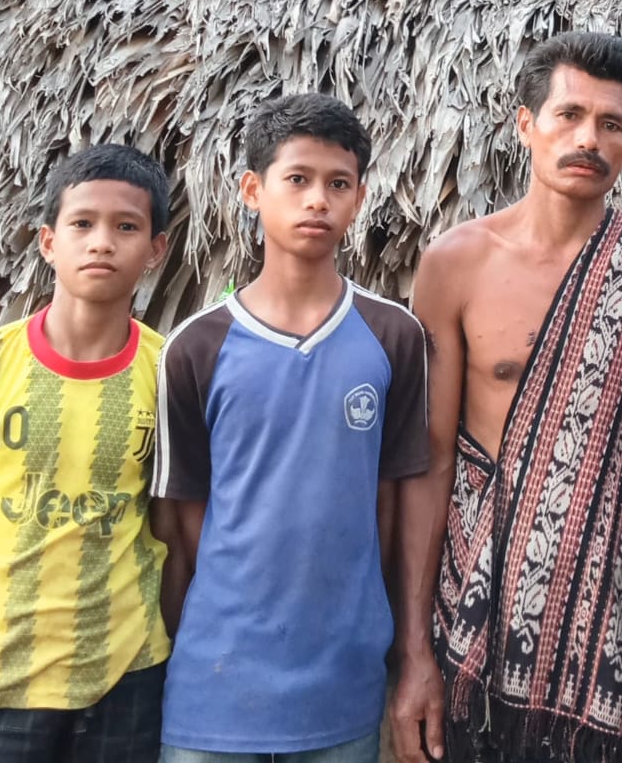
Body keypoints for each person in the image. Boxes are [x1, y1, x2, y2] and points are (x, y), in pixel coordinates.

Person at [401, 30, 622, 763]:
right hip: (472, 618)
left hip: (607, 631)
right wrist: (413, 646)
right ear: (525, 124)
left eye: (612, 124)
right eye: (568, 115)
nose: (588, 139)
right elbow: (433, 460)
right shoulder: (457, 264)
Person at [151, 94, 429, 763]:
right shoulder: (195, 348)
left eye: (338, 184)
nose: (317, 201)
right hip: (213, 685)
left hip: (343, 681)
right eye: (297, 180)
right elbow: (182, 523)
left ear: (360, 198)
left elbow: (390, 503)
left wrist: (389, 639)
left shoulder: (392, 336)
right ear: (253, 189)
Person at [0, 142, 174, 763]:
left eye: (126, 226)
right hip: (0, 686)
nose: (101, 241)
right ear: (49, 242)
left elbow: (175, 534)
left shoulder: (168, 374)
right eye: (82, 224)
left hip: (128, 680)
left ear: (156, 251)